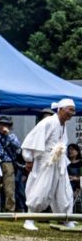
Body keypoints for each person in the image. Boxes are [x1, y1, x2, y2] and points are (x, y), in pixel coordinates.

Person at [22, 98, 76, 231]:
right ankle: (29, 219)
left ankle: (66, 219)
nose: (72, 113)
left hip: (59, 163)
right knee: (40, 189)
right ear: (61, 109)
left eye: (73, 110)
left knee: (64, 191)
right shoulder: (48, 122)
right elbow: (31, 140)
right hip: (45, 162)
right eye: (70, 109)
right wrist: (29, 159)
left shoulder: (63, 125)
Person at [0, 117, 22, 213]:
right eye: (1, 124)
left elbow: (18, 148)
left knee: (9, 187)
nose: (3, 126)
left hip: (8, 163)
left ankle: (10, 209)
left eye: (5, 125)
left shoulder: (12, 136)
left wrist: (7, 135)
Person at [67, 143, 82, 214]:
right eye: (69, 149)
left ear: (77, 152)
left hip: (77, 185)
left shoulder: (81, 163)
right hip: (67, 183)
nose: (70, 151)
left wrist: (76, 178)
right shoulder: (66, 163)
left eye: (72, 149)